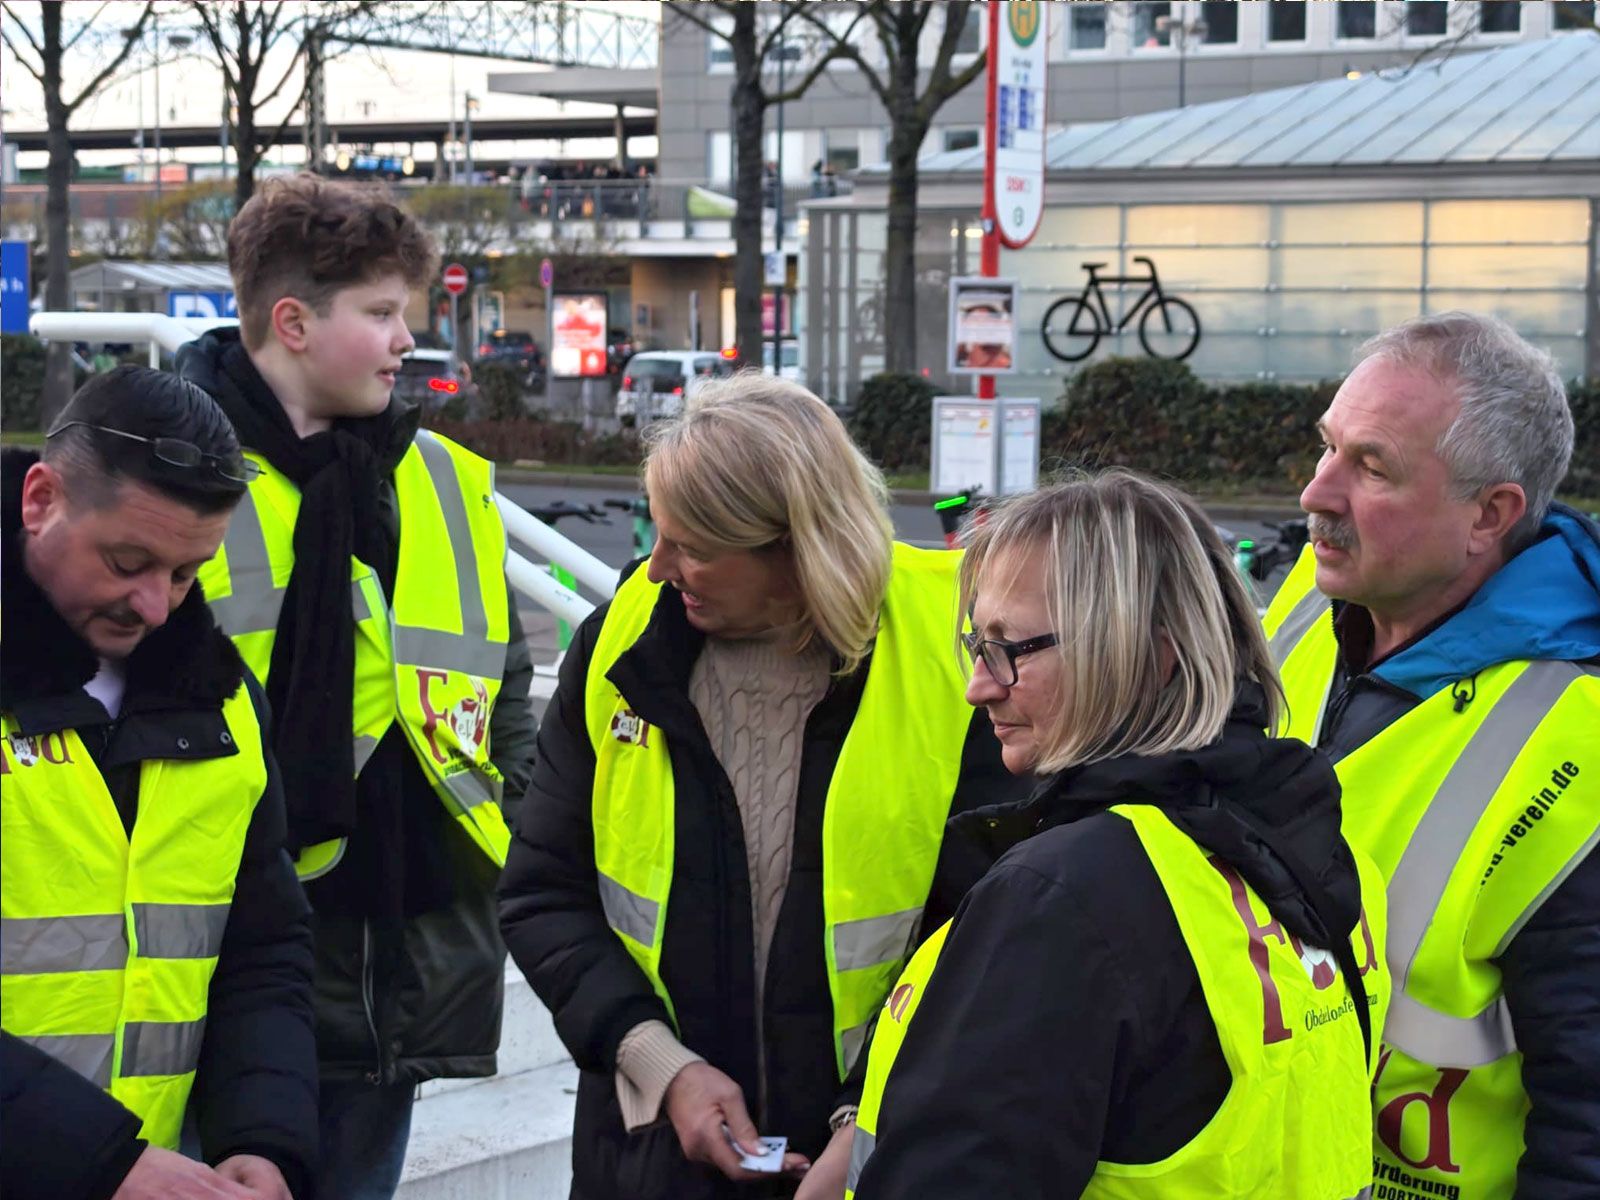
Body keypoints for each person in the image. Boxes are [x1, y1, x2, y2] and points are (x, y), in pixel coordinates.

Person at [498, 376, 1020, 1199]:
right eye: (660, 535)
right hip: (648, 1160)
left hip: (886, 1157)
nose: (658, 568)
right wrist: (663, 1068)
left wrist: (867, 1121)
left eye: (694, 547)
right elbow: (542, 893)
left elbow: (991, 939)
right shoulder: (619, 644)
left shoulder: (956, 654)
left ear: (799, 548)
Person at [845, 471, 1391, 1200]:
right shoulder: (1315, 847)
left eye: (1010, 649)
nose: (979, 685)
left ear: (1151, 654)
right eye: (977, 644)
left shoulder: (1065, 900)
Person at [174, 173, 539, 1200]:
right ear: (293, 323)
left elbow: (506, 688)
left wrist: (509, 814)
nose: (405, 341)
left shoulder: (445, 479)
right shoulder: (171, 474)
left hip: (401, 966)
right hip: (222, 961)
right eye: (380, 313)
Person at [1264, 311, 1600, 1198]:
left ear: (1490, 515)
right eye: (1328, 447)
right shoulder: (1314, 599)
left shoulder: (1578, 740)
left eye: (1372, 467)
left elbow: (1587, 1120)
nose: (1317, 493)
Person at [1, 367, 317, 1200]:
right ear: (40, 499)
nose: (155, 606)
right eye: (128, 561)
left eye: (186, 573)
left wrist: (264, 1136)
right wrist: (97, 1160)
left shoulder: (226, 703)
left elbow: (262, 948)